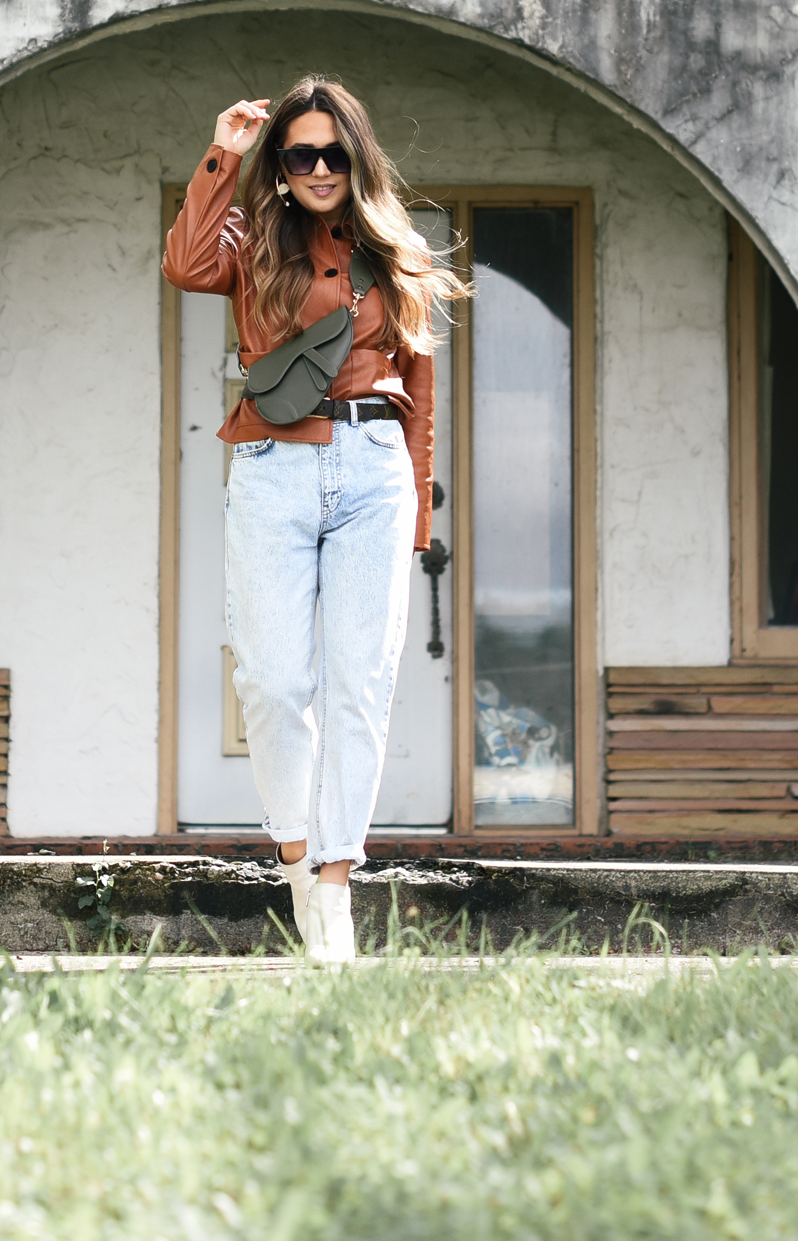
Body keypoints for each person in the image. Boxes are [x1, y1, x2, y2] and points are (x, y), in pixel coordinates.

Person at [164, 76, 463, 961]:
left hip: (375, 467)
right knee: (271, 681)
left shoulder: (393, 245)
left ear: (357, 155)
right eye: (303, 153)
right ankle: (297, 860)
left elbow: (422, 393)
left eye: (336, 151)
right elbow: (184, 264)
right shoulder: (252, 239)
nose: (322, 166)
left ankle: (334, 887)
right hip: (273, 464)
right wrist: (225, 150)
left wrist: (414, 518)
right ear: (283, 165)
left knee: (359, 685)